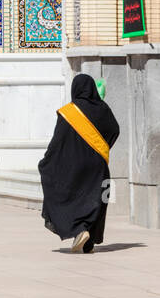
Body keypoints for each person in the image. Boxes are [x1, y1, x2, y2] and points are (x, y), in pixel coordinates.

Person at [39, 74, 119, 253]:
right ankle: (87, 242)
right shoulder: (103, 108)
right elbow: (115, 129)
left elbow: (57, 142)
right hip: (98, 166)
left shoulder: (69, 112)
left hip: (73, 166)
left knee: (69, 196)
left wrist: (47, 161)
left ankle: (78, 230)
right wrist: (103, 147)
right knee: (96, 199)